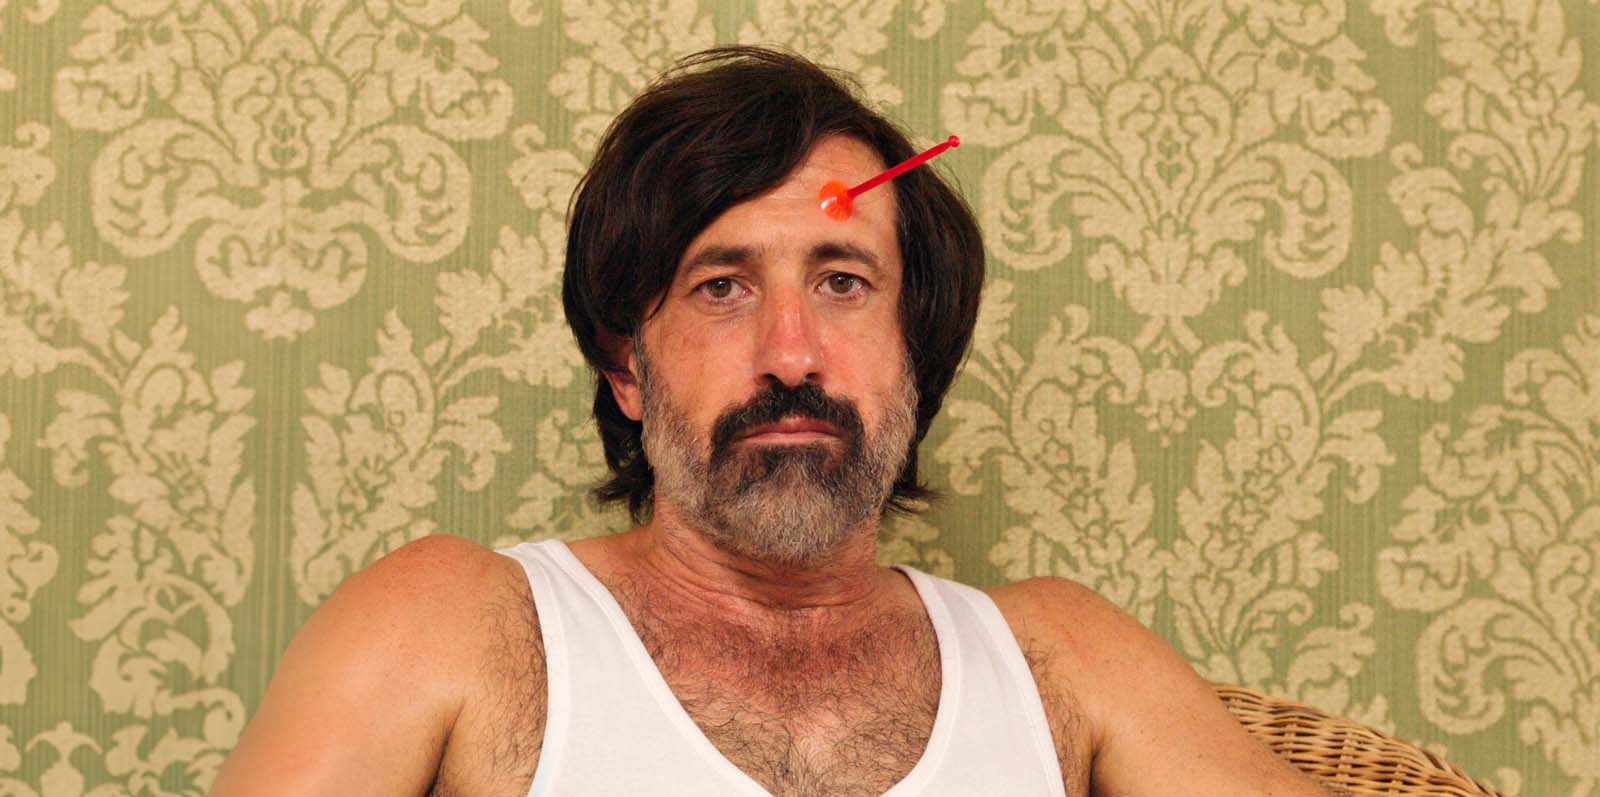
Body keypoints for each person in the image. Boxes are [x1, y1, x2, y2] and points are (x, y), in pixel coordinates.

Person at [212, 47, 1337, 796]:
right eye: (722, 286)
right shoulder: (452, 623)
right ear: (627, 365)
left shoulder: (1061, 655)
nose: (791, 352)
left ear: (914, 351)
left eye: (843, 282)